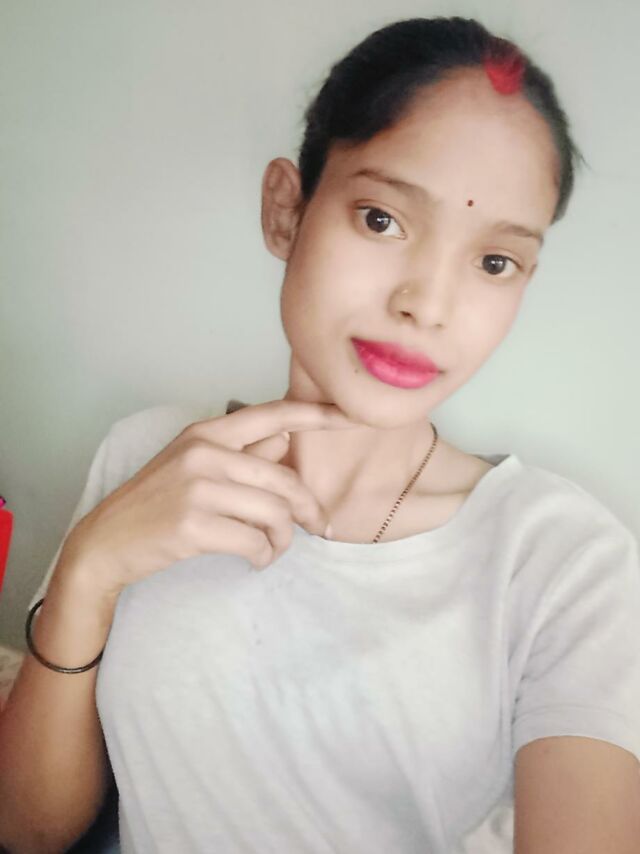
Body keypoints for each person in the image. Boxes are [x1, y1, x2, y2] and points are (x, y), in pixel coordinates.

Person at [1, 14, 639, 854]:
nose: (427, 304)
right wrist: (88, 572)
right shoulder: (145, 456)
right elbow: (27, 829)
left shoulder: (563, 561)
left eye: (495, 262)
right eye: (381, 219)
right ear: (286, 211)